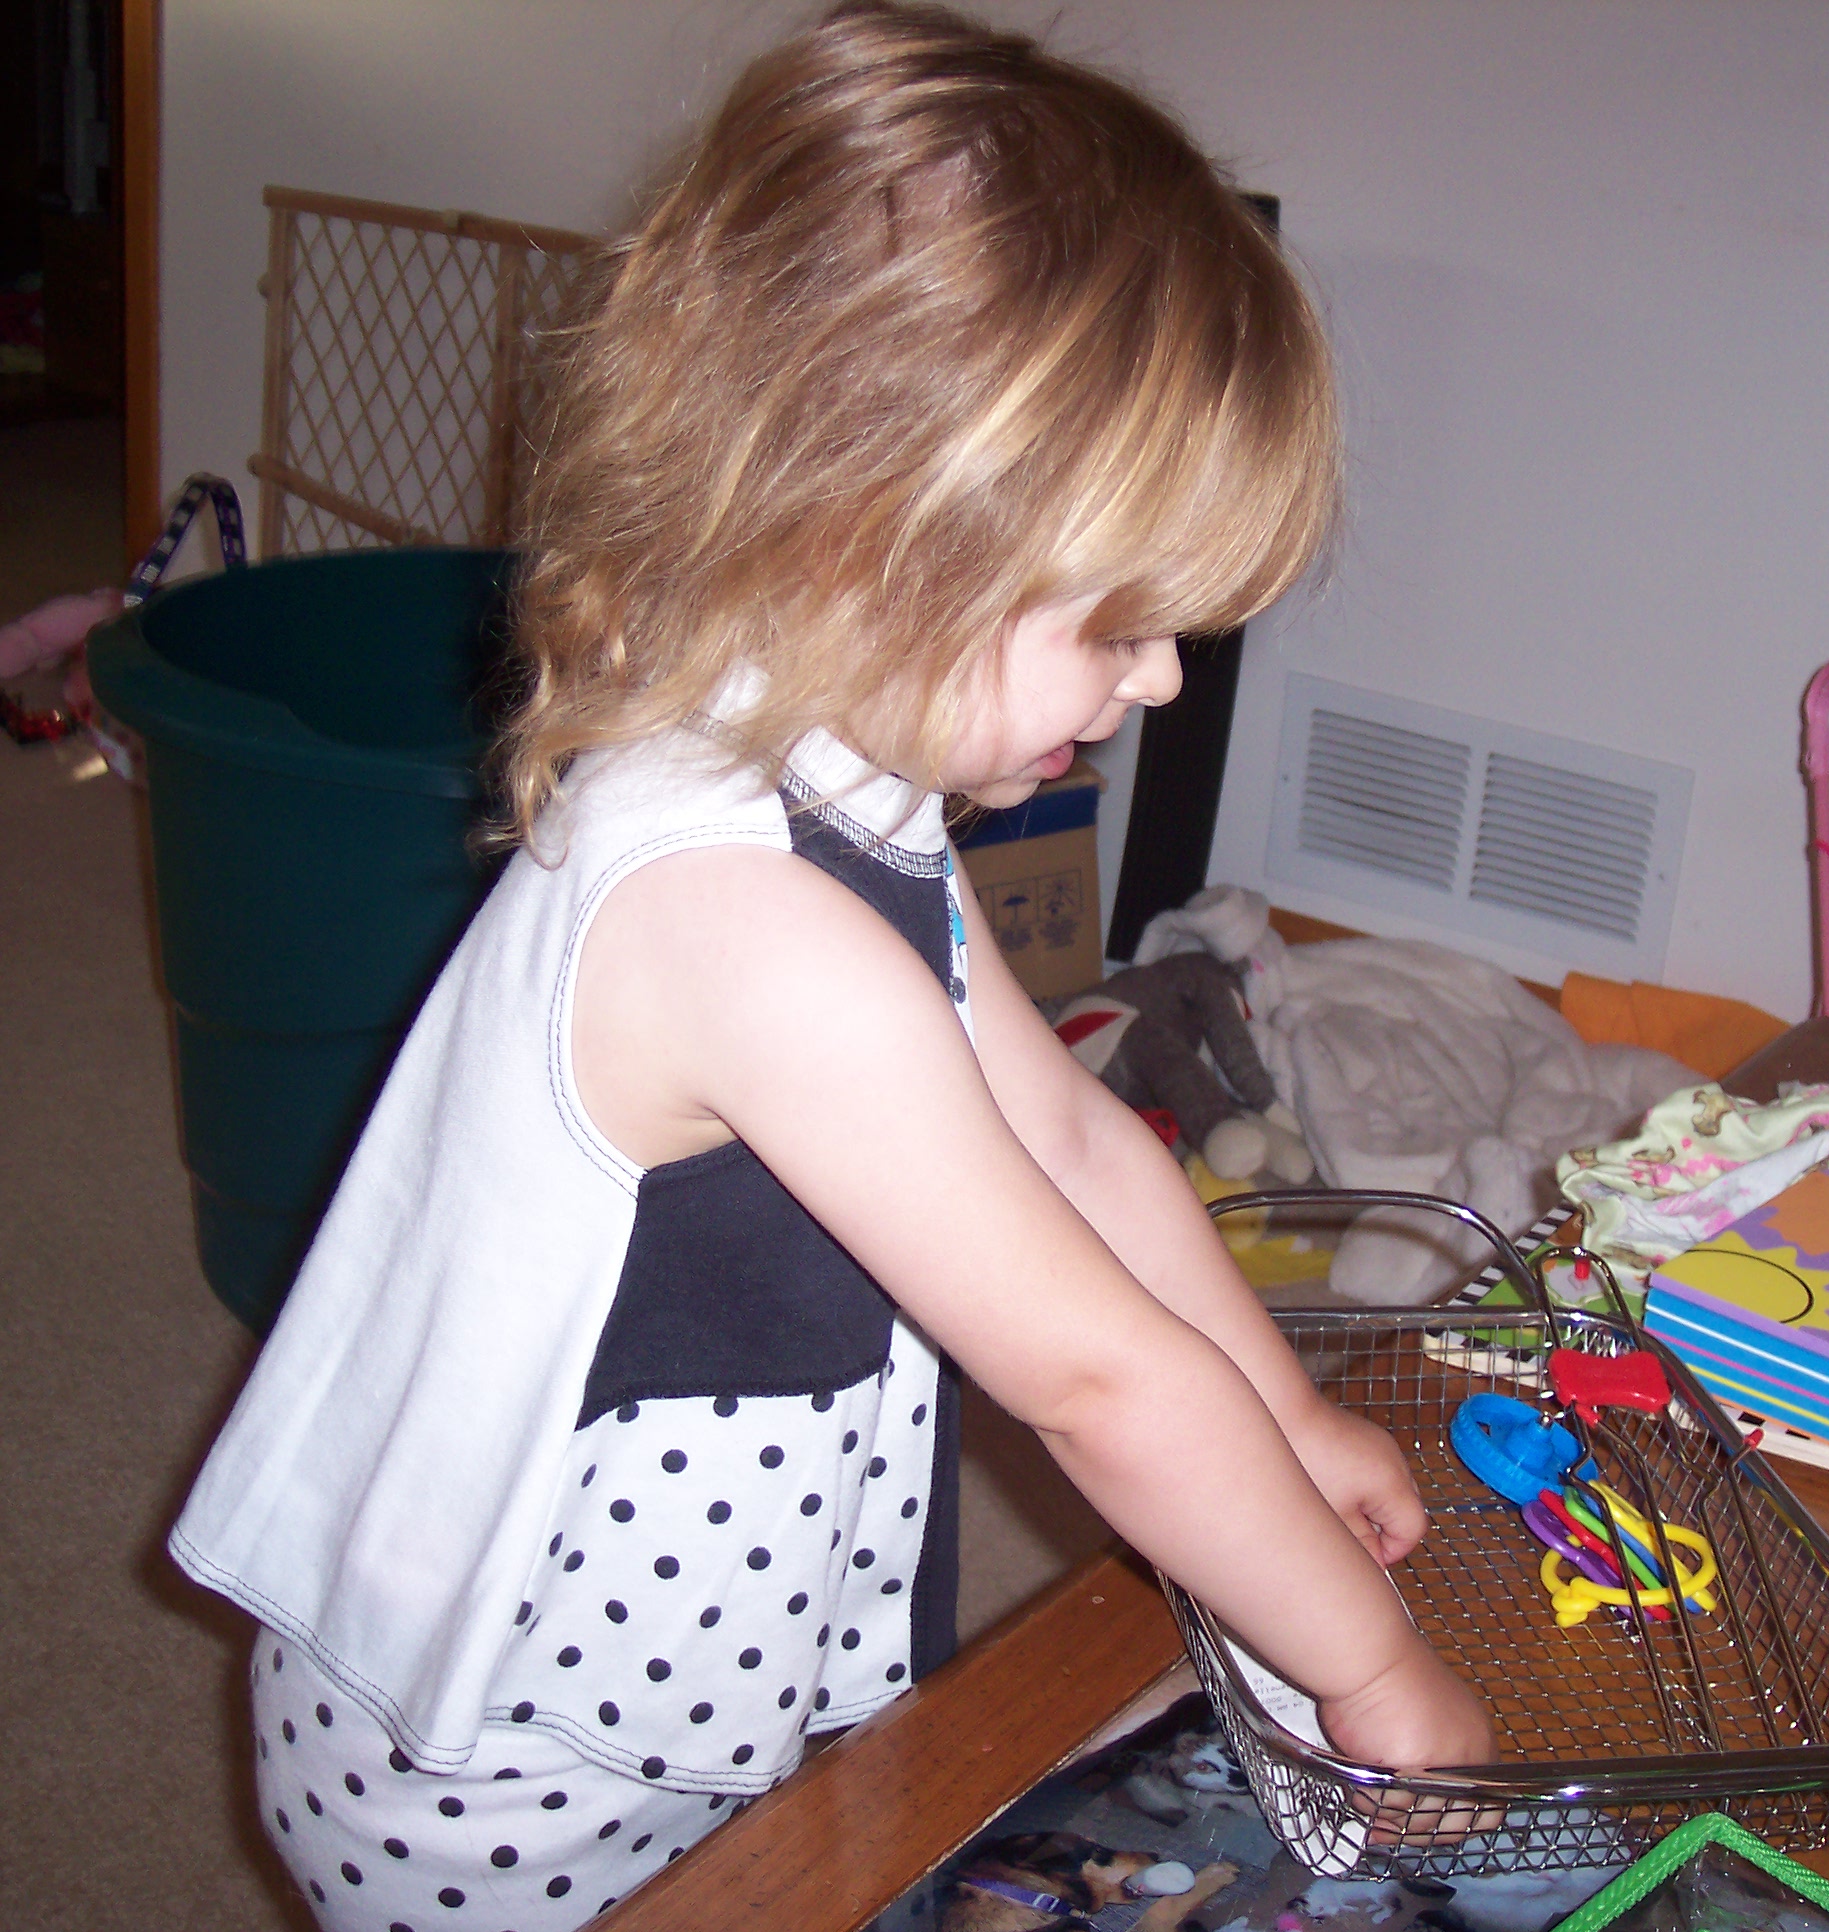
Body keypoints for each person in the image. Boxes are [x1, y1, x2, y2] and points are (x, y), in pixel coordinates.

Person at [167, 6, 1491, 1925]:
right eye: (1121, 617)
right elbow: (1096, 1382)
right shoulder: (745, 924)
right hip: (503, 1778)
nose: (1158, 679)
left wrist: (1287, 1417)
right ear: (875, 531)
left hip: (688, 1673)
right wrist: (1368, 1672)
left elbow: (1079, 1147)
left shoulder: (845, 790)